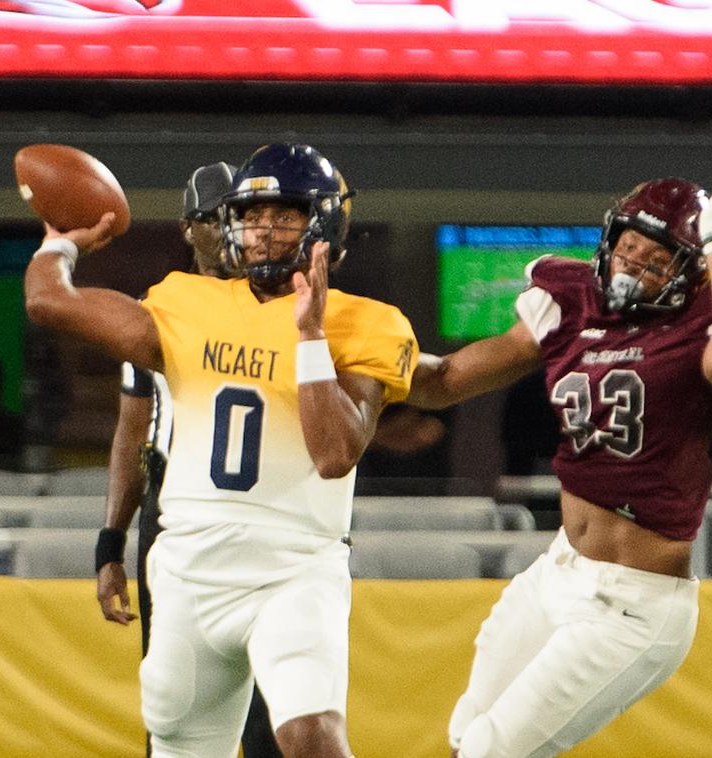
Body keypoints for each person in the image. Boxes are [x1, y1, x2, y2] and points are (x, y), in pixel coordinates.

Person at [25, 142, 418, 758]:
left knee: (311, 736)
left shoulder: (364, 322)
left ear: (323, 224)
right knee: (179, 745)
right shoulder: (186, 301)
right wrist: (60, 243)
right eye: (251, 215)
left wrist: (310, 335)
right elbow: (50, 302)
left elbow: (335, 453)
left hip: (295, 568)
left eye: (283, 215)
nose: (262, 230)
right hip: (189, 568)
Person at [408, 144, 712, 758]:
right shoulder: (572, 299)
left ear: (691, 272)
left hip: (633, 603)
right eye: (629, 247)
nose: (634, 266)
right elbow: (443, 381)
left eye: (658, 260)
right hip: (558, 570)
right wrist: (346, 352)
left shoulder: (709, 312)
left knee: (488, 753)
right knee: (465, 736)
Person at [93, 161, 281, 758]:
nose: (229, 230)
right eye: (214, 218)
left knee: (276, 706)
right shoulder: (159, 308)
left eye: (239, 216)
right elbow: (133, 432)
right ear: (187, 228)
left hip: (268, 512)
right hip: (175, 508)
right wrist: (110, 543)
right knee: (174, 699)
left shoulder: (287, 303)